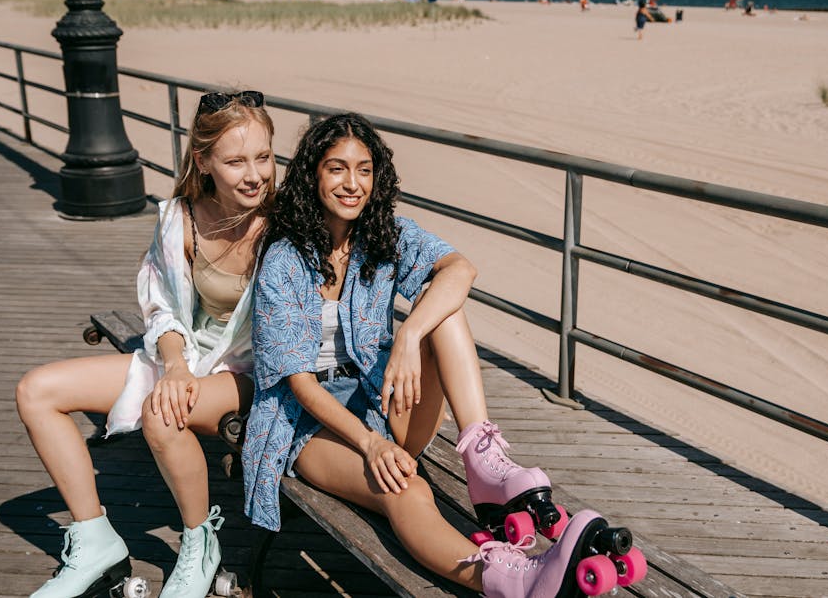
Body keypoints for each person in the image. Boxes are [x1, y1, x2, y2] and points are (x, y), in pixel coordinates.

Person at [242, 113, 646, 595]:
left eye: (364, 170)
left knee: (444, 308)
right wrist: (372, 445)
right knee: (404, 488)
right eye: (337, 168)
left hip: (378, 398)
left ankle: (481, 457)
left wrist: (410, 336)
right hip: (308, 424)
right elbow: (299, 383)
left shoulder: (383, 235)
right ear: (313, 174)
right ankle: (508, 580)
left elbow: (461, 269)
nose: (353, 184)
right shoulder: (284, 260)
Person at [16, 90, 276, 598]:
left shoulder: (285, 228)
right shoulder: (181, 218)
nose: (255, 175)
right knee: (36, 391)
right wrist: (176, 364)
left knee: (164, 413)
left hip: (254, 373)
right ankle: (95, 541)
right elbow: (162, 306)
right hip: (190, 358)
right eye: (236, 161)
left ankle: (200, 544)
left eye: (264, 157)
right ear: (203, 161)